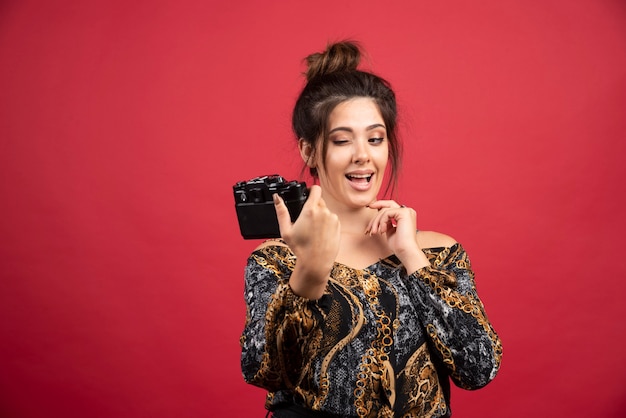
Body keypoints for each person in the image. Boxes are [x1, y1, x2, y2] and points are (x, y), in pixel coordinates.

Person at [240, 40, 502, 418]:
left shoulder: (437, 252)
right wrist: (310, 270)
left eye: (375, 139)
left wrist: (411, 255)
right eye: (342, 140)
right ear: (309, 151)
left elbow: (479, 369)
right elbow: (264, 370)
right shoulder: (278, 260)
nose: (362, 154)